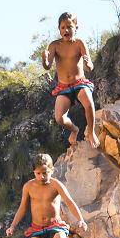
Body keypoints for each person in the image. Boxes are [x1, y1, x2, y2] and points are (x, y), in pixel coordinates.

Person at [42, 11, 99, 148]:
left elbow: (90, 67)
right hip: (63, 87)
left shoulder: (79, 43)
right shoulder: (54, 45)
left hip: (79, 83)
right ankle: (74, 129)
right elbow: (47, 66)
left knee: (89, 104)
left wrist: (87, 63)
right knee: (59, 118)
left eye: (69, 27)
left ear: (76, 28)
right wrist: (44, 59)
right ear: (59, 29)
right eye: (63, 27)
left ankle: (91, 132)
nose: (66, 30)